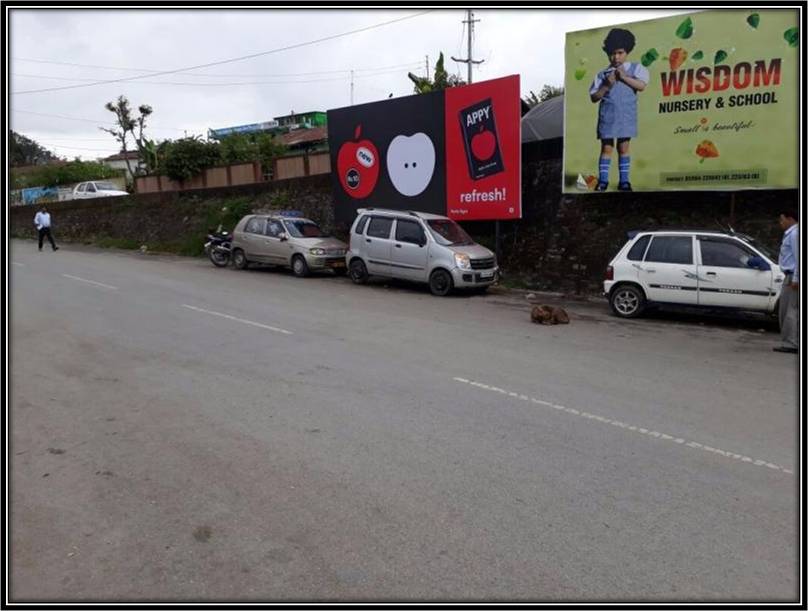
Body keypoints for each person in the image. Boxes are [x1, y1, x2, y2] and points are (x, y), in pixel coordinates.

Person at [589, 28, 649, 192]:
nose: (616, 57)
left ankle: (624, 181)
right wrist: (607, 85)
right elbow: (594, 97)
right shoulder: (602, 74)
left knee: (623, 147)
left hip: (626, 116)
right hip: (608, 116)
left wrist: (624, 77)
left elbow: (642, 86)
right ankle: (603, 182)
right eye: (612, 53)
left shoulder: (635, 69)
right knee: (606, 148)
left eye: (620, 53)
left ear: (627, 51)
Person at [773, 209, 799, 354]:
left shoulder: (795, 234)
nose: (780, 223)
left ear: (790, 219)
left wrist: (796, 279)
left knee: (789, 311)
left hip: (793, 277)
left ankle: (792, 344)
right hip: (790, 276)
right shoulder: (792, 233)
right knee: (789, 310)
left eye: (782, 219)